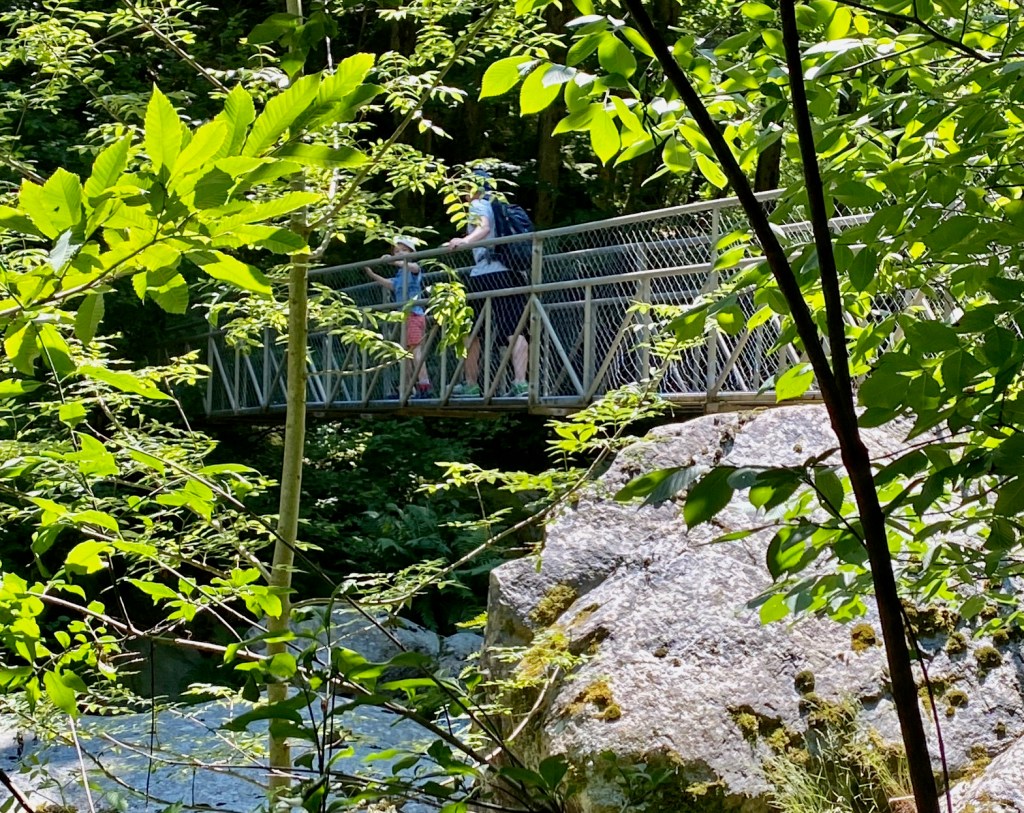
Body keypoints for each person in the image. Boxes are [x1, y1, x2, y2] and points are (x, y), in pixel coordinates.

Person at [444, 171, 529, 398]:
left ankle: (471, 384)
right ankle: (521, 383)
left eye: (464, 188)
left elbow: (484, 228)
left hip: (485, 274)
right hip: (510, 272)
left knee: (470, 331)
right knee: (515, 329)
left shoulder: (478, 204)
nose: (463, 194)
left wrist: (463, 241)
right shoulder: (500, 205)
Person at [364, 237, 432, 399]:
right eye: (396, 251)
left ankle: (424, 385)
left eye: (404, 250)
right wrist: (373, 274)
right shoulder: (400, 274)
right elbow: (391, 285)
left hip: (414, 314)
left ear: (412, 253)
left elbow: (414, 268)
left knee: (415, 350)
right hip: (404, 317)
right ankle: (406, 388)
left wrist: (394, 261)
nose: (399, 253)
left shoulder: (413, 268)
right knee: (404, 353)